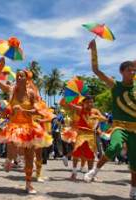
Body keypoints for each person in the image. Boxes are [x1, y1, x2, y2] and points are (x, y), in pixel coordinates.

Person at [84, 39, 136, 199]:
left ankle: (133, 191)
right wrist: (94, 50)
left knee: (135, 163)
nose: (132, 72)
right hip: (119, 127)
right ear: (122, 72)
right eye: (129, 70)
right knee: (115, 146)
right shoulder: (115, 86)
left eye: (134, 70)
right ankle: (95, 170)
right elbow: (96, 70)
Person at [0, 57, 52, 194]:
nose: (18, 77)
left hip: (29, 126)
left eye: (21, 76)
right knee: (12, 144)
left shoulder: (32, 93)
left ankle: (28, 183)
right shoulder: (11, 90)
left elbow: (38, 110)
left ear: (27, 79)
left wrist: (24, 110)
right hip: (14, 125)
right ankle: (9, 159)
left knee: (29, 156)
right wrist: (0, 66)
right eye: (17, 75)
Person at [61, 95, 106, 180]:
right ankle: (74, 173)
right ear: (83, 103)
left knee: (91, 155)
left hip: (91, 135)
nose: (90, 104)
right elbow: (65, 104)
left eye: (91, 102)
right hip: (81, 134)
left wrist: (96, 117)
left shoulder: (95, 111)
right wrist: (67, 96)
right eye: (88, 102)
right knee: (76, 153)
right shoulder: (80, 109)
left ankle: (90, 174)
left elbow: (104, 119)